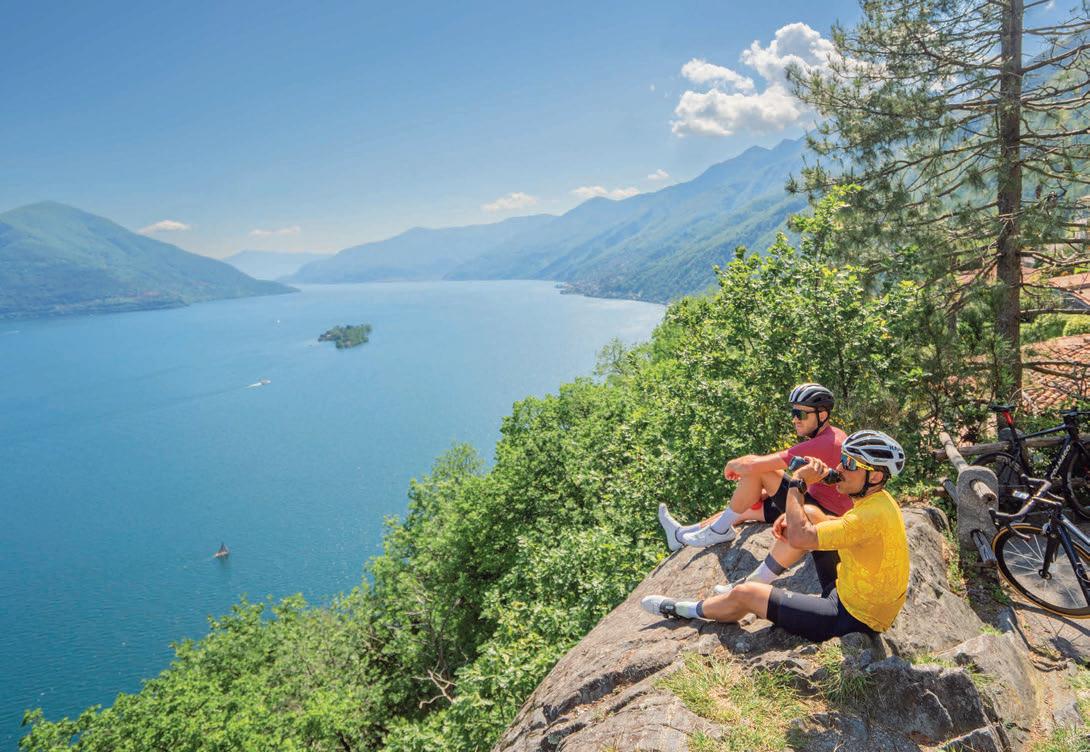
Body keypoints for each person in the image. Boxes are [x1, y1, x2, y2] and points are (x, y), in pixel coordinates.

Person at [640, 430, 909, 642]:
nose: (840, 466)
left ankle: (682, 609)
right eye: (843, 458)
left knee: (746, 594)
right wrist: (821, 482)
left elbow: (802, 538)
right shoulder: (879, 501)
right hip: (852, 591)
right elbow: (831, 527)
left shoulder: (866, 517)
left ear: (874, 477)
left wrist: (797, 485)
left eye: (850, 463)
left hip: (851, 617)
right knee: (813, 515)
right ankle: (760, 578)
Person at [658, 383, 850, 593]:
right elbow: (818, 478)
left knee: (761, 472)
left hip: (823, 514)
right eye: (793, 412)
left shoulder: (825, 442)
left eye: (800, 414)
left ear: (822, 415)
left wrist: (733, 464)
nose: (794, 419)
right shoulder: (831, 436)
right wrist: (766, 491)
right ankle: (682, 534)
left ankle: (723, 537)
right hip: (814, 501)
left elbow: (754, 465)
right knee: (744, 509)